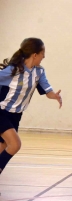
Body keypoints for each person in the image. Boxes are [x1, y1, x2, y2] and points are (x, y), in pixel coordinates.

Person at [0, 37, 62, 175]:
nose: (43, 57)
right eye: (42, 55)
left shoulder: (39, 72)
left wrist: (55, 96)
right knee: (15, 145)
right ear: (35, 54)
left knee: (3, 147)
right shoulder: (13, 70)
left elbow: (48, 91)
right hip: (2, 112)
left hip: (16, 116)